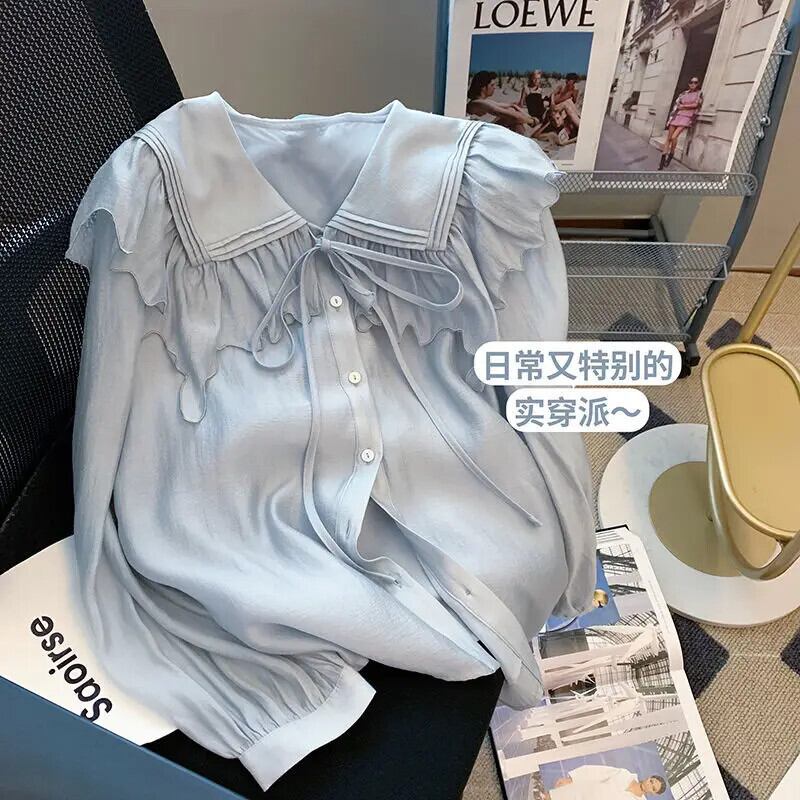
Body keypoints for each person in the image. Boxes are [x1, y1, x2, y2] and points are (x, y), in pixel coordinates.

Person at [466, 70, 536, 133]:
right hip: (481, 134)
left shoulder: (483, 101)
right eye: (492, 85)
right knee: (511, 117)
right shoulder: (478, 103)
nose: (494, 87)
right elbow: (511, 116)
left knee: (511, 112)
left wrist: (530, 117)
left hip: (486, 131)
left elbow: (511, 106)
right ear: (483, 87)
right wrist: (531, 121)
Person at [547, 764, 667, 800]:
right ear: (649, 777)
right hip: (577, 792)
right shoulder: (624, 774)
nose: (649, 785)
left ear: (654, 793)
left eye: (653, 788)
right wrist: (572, 779)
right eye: (652, 781)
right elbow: (597, 772)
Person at [659, 76, 704, 170]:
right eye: (691, 82)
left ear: (698, 84)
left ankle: (671, 153)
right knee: (668, 138)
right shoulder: (683, 93)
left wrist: (683, 106)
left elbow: (696, 104)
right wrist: (683, 106)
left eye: (695, 82)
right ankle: (662, 162)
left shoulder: (699, 93)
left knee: (674, 137)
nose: (693, 84)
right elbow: (677, 104)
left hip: (687, 117)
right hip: (677, 115)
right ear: (689, 84)